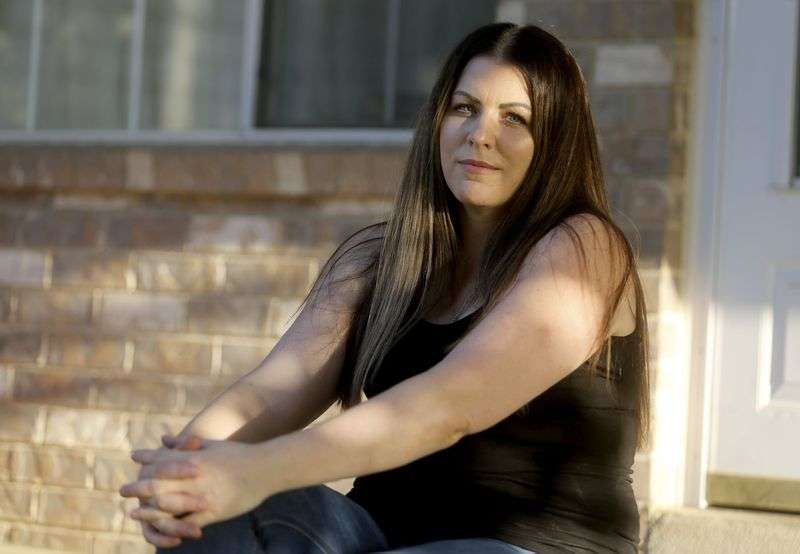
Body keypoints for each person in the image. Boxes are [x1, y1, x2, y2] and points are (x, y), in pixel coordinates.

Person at [119, 22, 650, 553]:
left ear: (554, 143)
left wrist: (255, 470)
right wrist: (186, 471)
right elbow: (270, 394)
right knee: (212, 517)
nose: (480, 134)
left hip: (530, 545)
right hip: (377, 536)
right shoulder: (380, 260)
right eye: (465, 108)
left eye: (516, 119)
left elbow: (448, 406)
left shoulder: (584, 249)